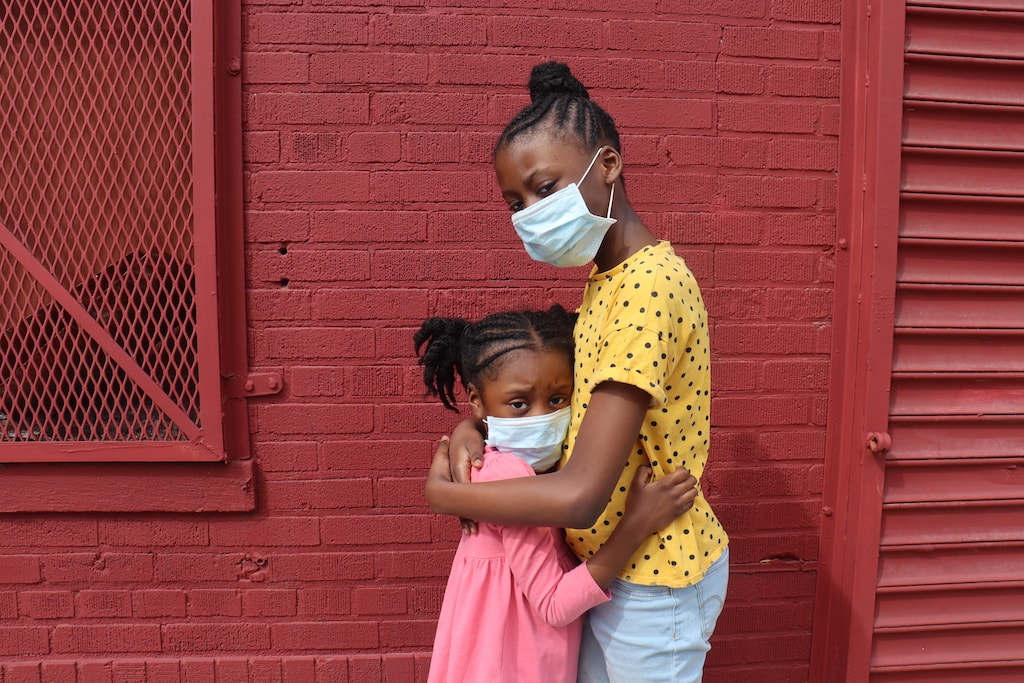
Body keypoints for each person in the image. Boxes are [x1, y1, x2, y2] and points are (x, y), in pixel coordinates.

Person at [424, 61, 730, 683]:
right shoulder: (606, 281)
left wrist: (446, 494)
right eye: (516, 202)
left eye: (544, 189)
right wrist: (473, 433)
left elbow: (582, 494)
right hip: (608, 575)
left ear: (608, 166)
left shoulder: (650, 286)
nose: (529, 215)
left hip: (653, 580)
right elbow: (556, 408)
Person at [416, 306, 698, 683]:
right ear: (477, 401)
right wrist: (638, 523)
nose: (541, 418)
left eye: (557, 400)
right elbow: (555, 603)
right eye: (519, 404)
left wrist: (470, 428)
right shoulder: (506, 474)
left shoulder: (538, 464)